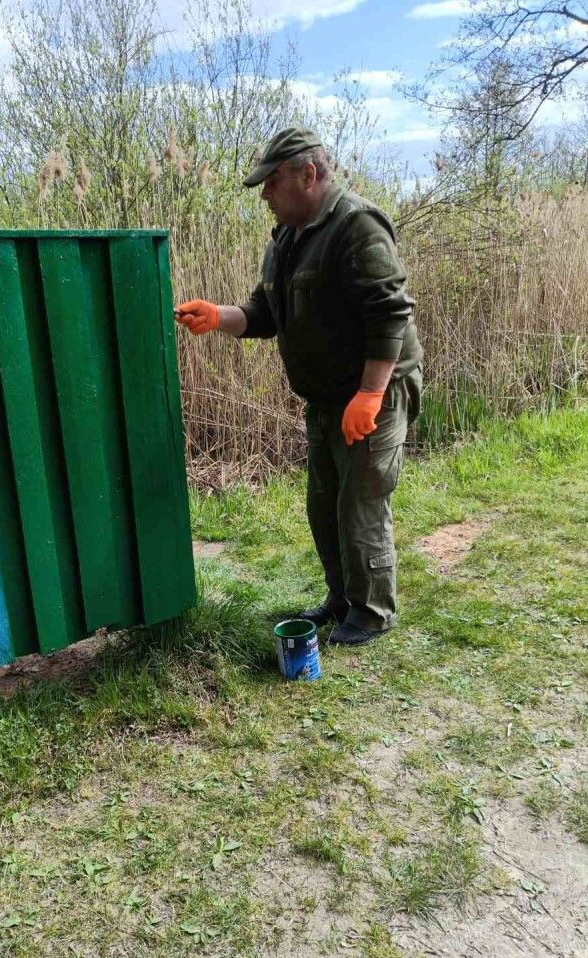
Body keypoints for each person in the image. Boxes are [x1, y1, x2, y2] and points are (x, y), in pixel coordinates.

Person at [175, 127, 423, 646]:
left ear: (308, 174)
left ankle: (372, 611)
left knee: (360, 503)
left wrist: (372, 393)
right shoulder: (286, 239)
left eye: (271, 181)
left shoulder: (357, 225)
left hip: (372, 392)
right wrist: (217, 316)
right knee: (324, 501)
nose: (264, 192)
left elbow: (390, 311)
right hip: (327, 396)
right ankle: (341, 598)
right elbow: (265, 312)